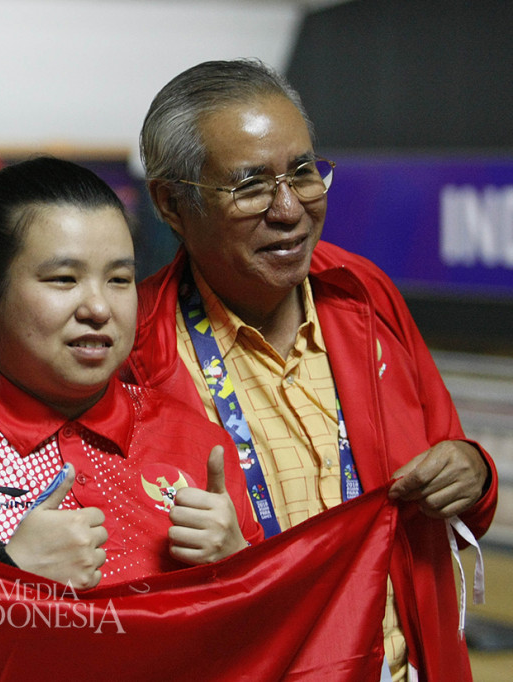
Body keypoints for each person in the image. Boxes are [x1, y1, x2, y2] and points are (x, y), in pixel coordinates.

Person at [127, 59, 497, 680]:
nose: (289, 208)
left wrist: (474, 473)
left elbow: (453, 465)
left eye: (302, 172)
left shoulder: (365, 293)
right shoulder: (135, 349)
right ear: (171, 203)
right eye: (249, 186)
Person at [0, 157, 261, 589]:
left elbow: (264, 642)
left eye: (119, 279)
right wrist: (8, 573)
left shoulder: (196, 441)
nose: (98, 309)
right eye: (64, 279)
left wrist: (239, 566)